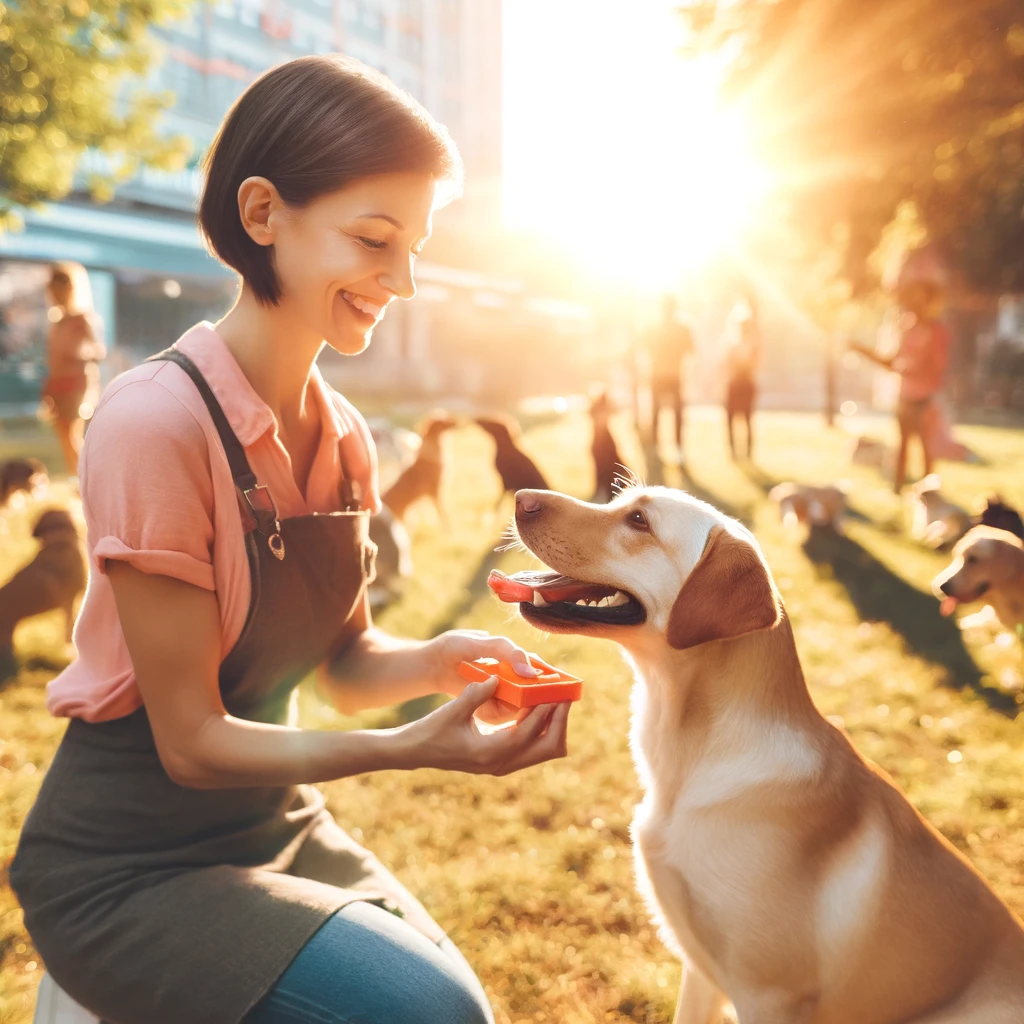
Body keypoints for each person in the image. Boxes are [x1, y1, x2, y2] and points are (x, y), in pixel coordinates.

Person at [11, 56, 571, 1024]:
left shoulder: (345, 434)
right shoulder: (154, 423)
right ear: (264, 212)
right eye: (374, 240)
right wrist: (404, 749)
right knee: (429, 1013)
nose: (402, 280)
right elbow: (191, 744)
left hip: (276, 819)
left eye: (414, 248)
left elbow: (343, 664)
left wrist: (441, 660)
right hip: (126, 863)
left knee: (461, 1013)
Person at [849, 247, 951, 492]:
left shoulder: (937, 330)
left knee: (926, 449)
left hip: (926, 398)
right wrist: (862, 350)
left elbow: (937, 366)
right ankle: (898, 490)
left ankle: (929, 493)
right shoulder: (905, 326)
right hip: (905, 396)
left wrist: (913, 368)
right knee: (903, 446)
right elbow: (892, 362)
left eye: (921, 296)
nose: (915, 301)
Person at [41, 261, 106, 476]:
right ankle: (76, 479)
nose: (55, 296)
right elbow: (52, 359)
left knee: (72, 435)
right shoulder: (56, 321)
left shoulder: (82, 319)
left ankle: (87, 478)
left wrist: (77, 355)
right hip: (57, 384)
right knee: (63, 435)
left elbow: (99, 352)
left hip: (76, 383)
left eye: (59, 290)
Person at [647, 294, 693, 459]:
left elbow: (646, 348)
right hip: (671, 374)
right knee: (672, 412)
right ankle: (673, 445)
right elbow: (690, 350)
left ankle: (657, 445)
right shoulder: (680, 329)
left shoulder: (654, 327)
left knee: (658, 411)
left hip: (663, 374)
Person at [723, 297, 761, 460]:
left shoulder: (753, 344)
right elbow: (726, 364)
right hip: (734, 383)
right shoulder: (732, 343)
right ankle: (733, 450)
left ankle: (748, 452)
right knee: (730, 417)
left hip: (745, 384)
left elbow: (754, 364)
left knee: (747, 418)